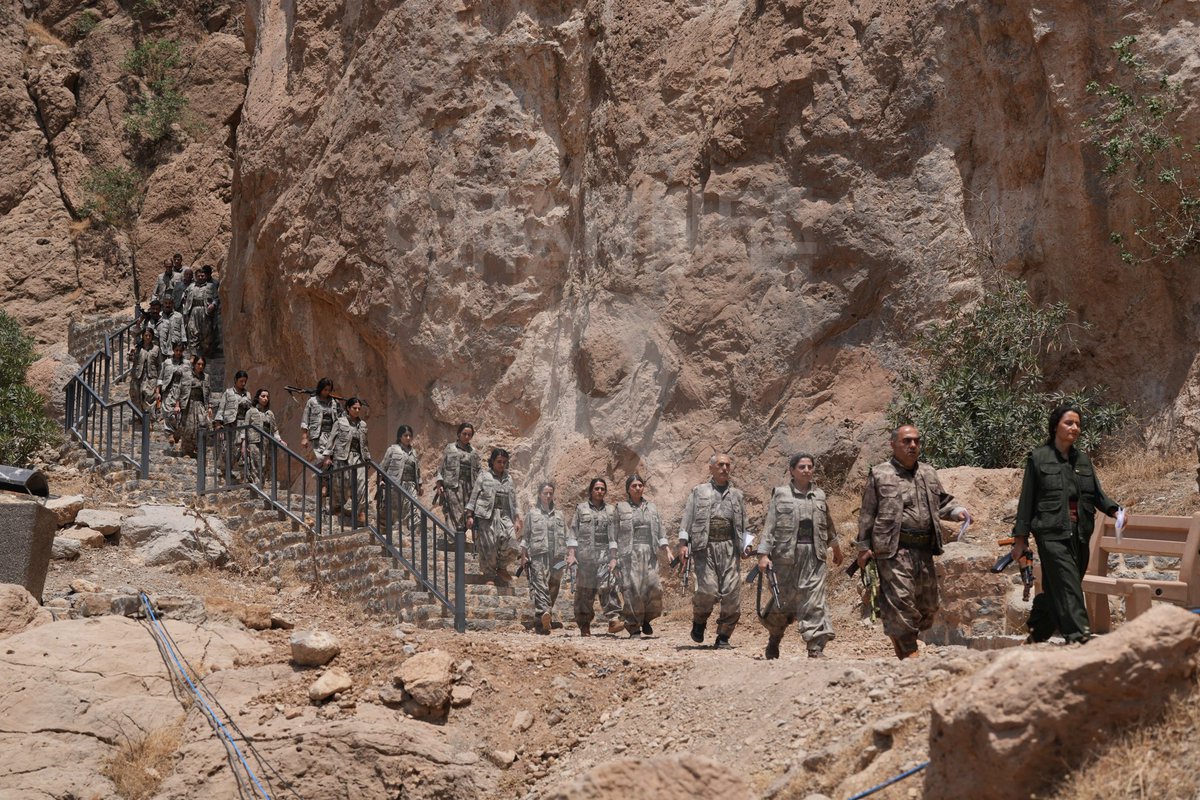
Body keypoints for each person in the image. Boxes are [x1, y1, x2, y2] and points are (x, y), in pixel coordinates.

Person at [856, 424, 970, 660]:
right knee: (902, 601)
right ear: (893, 444)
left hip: (924, 549)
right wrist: (863, 547)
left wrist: (958, 512)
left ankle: (900, 639)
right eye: (907, 441)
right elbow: (867, 513)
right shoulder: (880, 474)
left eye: (916, 441)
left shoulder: (928, 473)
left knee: (927, 607)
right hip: (893, 549)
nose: (913, 445)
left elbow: (942, 502)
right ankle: (911, 653)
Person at [1011, 405, 1122, 644]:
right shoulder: (1038, 458)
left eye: (1078, 424)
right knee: (1069, 583)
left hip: (1080, 533)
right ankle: (1079, 636)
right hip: (1051, 532)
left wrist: (1114, 509)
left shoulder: (1082, 460)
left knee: (1057, 587)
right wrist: (1020, 538)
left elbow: (1097, 494)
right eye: (1069, 423)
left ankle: (1037, 634)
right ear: (1055, 427)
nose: (1075, 428)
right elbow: (1026, 500)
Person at [757, 453, 844, 659]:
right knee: (783, 602)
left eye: (810, 467)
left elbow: (829, 524)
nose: (807, 470)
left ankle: (815, 647)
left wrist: (836, 548)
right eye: (802, 467)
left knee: (814, 600)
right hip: (786, 558)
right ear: (792, 471)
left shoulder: (820, 495)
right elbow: (770, 526)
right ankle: (775, 636)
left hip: (814, 556)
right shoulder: (780, 494)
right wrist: (763, 555)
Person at [678, 453, 751, 649]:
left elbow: (745, 524)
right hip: (705, 549)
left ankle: (724, 636)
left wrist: (747, 545)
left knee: (731, 595)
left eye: (727, 465)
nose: (724, 468)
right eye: (720, 465)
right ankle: (699, 621)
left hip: (729, 548)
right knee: (707, 590)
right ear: (711, 468)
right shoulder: (698, 492)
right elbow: (687, 519)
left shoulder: (737, 495)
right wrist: (683, 544)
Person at [613, 474, 669, 638]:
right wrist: (613, 557)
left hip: (649, 553)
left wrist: (667, 549)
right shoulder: (621, 508)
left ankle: (646, 618)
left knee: (654, 588)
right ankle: (633, 626)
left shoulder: (652, 507)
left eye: (640, 485)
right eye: (634, 486)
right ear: (628, 489)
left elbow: (661, 531)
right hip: (630, 554)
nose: (638, 488)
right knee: (632, 590)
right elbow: (613, 534)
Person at [566, 477, 623, 636]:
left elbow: (613, 538)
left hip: (604, 556)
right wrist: (571, 555)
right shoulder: (581, 509)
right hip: (584, 557)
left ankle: (613, 619)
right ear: (591, 490)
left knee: (608, 586)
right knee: (585, 592)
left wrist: (613, 558)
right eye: (597, 488)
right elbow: (573, 533)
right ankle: (584, 625)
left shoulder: (611, 510)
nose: (599, 491)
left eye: (602, 489)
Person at [466, 447, 521, 586]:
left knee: (513, 543)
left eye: (504, 462)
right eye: (499, 461)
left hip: (504, 514)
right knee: (488, 547)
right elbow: (474, 496)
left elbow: (514, 500)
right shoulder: (484, 476)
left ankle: (502, 567)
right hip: (486, 515)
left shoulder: (509, 478)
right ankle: (489, 574)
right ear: (492, 461)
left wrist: (517, 518)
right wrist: (469, 515)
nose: (502, 465)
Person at [519, 481, 567, 634]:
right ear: (539, 495)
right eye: (545, 493)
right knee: (540, 585)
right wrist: (523, 557)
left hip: (558, 556)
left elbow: (565, 535)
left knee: (554, 585)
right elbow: (525, 538)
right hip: (539, 554)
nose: (548, 496)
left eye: (550, 493)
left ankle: (542, 619)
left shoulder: (560, 515)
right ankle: (545, 612)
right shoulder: (532, 515)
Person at [325, 396, 370, 525]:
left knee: (362, 484)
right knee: (341, 485)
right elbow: (331, 440)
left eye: (359, 408)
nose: (357, 410)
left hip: (358, 457)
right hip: (342, 457)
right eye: (354, 408)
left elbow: (365, 444)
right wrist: (328, 456)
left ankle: (361, 512)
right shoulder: (340, 422)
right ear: (348, 408)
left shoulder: (363, 425)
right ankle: (337, 507)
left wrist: (367, 458)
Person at [435, 423, 482, 538]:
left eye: (469, 435)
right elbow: (441, 467)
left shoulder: (474, 452)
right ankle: (452, 539)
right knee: (454, 513)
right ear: (459, 434)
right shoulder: (450, 448)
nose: (466, 436)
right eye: (464, 434)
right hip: (453, 487)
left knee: (467, 513)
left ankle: (463, 539)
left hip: (469, 487)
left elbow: (479, 470)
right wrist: (439, 483)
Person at [379, 425, 423, 534]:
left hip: (411, 485)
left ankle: (415, 533)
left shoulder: (414, 452)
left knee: (414, 508)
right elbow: (383, 466)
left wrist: (420, 485)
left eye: (410, 436)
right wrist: (381, 480)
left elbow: (417, 470)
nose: (408, 438)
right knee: (393, 509)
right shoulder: (392, 449)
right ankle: (386, 530)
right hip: (395, 484)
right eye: (405, 435)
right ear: (400, 437)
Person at [212, 370, 252, 479]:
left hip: (242, 425)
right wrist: (218, 423)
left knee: (239, 449)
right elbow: (221, 408)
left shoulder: (247, 395)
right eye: (241, 381)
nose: (243, 383)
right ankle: (225, 470)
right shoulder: (228, 393)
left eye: (245, 381)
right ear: (236, 380)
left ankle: (233, 471)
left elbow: (250, 411)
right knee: (227, 448)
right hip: (230, 424)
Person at [244, 388, 284, 484]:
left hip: (267, 443)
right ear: (258, 398)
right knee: (256, 464)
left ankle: (261, 486)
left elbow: (274, 429)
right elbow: (244, 428)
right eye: (263, 396)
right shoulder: (251, 412)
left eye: (267, 397)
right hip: (255, 442)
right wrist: (244, 443)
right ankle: (256, 487)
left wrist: (279, 439)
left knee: (265, 465)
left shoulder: (270, 414)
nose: (265, 398)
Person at [176, 355, 212, 458]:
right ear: (194, 364)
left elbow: (209, 392)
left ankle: (199, 447)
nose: (200, 366)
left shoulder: (206, 377)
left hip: (200, 404)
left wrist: (209, 406)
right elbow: (179, 389)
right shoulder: (186, 375)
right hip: (188, 404)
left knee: (202, 424)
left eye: (202, 365)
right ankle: (187, 450)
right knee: (189, 427)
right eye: (198, 364)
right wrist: (177, 404)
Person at [301, 378, 342, 463]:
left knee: (333, 461)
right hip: (318, 437)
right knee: (322, 459)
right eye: (325, 390)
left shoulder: (334, 402)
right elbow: (305, 420)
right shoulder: (312, 402)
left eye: (329, 390)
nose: (327, 392)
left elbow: (341, 418)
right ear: (320, 388)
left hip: (332, 436)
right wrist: (304, 438)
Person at [182, 265, 217, 357]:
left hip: (205, 311)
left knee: (207, 333)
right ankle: (194, 355)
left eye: (202, 275)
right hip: (193, 311)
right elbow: (184, 296)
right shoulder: (191, 286)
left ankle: (207, 354)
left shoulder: (211, 286)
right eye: (199, 276)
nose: (201, 277)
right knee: (193, 331)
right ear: (195, 276)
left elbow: (216, 298)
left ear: (206, 276)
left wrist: (213, 304)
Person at [128, 327, 160, 421]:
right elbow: (131, 360)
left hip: (151, 377)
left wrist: (159, 382)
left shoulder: (156, 349)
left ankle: (149, 419)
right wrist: (131, 353)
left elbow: (159, 365)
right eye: (146, 335)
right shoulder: (138, 348)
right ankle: (140, 417)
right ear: (143, 336)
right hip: (138, 376)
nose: (148, 337)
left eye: (150, 335)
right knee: (136, 396)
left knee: (149, 397)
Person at [159, 341, 187, 442]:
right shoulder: (167, 362)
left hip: (180, 390)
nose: (178, 352)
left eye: (180, 351)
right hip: (168, 390)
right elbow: (161, 377)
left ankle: (177, 431)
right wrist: (158, 390)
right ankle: (169, 433)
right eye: (176, 350)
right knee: (168, 412)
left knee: (178, 413)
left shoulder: (186, 363)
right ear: (173, 350)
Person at [155, 295, 185, 366]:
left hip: (175, 347)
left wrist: (183, 342)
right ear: (163, 304)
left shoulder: (179, 316)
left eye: (170, 303)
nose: (168, 305)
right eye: (166, 303)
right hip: (161, 347)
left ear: (173, 304)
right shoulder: (158, 316)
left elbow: (183, 330)